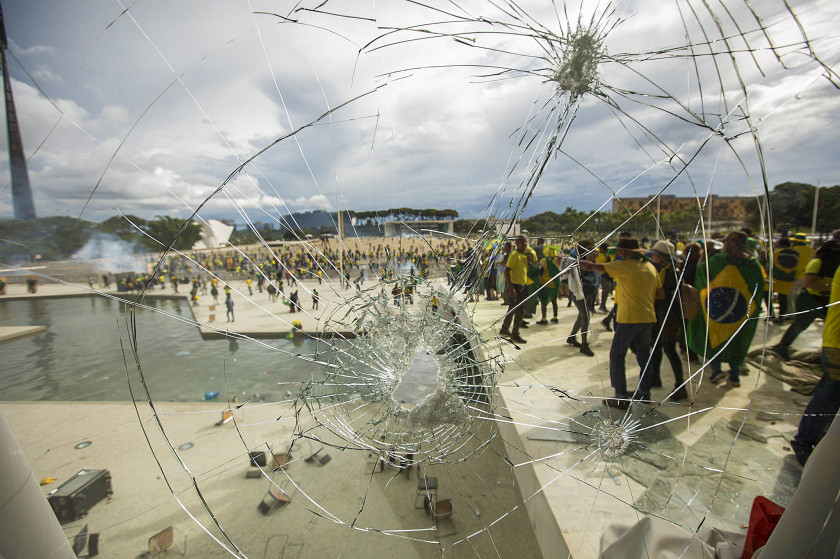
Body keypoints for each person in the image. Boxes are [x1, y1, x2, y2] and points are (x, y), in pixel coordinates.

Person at [580, 237, 658, 408]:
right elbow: (659, 294)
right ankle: (644, 392)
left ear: (625, 252)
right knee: (644, 356)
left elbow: (593, 267)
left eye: (620, 250)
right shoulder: (650, 267)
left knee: (617, 355)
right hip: (647, 317)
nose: (618, 253)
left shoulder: (624, 266)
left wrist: (573, 262)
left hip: (629, 318)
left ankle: (621, 396)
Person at [688, 231, 764, 387]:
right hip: (738, 312)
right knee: (736, 340)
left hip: (717, 309)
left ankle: (716, 371)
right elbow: (758, 286)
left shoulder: (717, 261)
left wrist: (705, 254)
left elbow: (701, 271)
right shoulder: (752, 265)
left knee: (714, 338)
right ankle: (734, 376)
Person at [789, 263, 840, 466]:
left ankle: (816, 442)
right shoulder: (818, 263)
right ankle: (805, 442)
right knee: (829, 396)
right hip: (837, 344)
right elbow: (809, 282)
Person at [772, 240, 840, 359]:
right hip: (809, 299)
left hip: (826, 300)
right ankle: (782, 347)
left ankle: (829, 353)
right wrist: (832, 288)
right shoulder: (817, 263)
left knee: (832, 328)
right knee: (800, 325)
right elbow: (808, 283)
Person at [647, 241, 688, 400]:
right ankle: (655, 377)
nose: (652, 257)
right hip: (660, 314)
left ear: (663, 258)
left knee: (669, 349)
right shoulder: (664, 270)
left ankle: (680, 386)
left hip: (668, 316)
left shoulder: (672, 273)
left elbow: (664, 295)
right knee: (656, 347)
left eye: (655, 255)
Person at [567, 243, 599, 356]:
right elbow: (578, 275)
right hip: (579, 293)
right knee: (586, 317)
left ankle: (571, 337)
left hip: (588, 291)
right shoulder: (577, 261)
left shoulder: (589, 260)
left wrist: (593, 259)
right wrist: (589, 260)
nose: (593, 251)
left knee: (581, 316)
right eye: (590, 248)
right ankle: (584, 345)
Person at [499, 235, 531, 345]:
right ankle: (515, 334)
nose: (525, 245)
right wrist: (511, 288)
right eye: (523, 243)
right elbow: (507, 271)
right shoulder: (514, 255)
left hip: (522, 286)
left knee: (512, 309)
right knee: (520, 311)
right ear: (517, 244)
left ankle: (504, 329)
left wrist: (529, 263)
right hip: (515, 286)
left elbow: (524, 272)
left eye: (526, 243)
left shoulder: (523, 256)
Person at [536, 246, 560, 325]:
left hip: (545, 284)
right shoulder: (557, 261)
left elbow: (538, 269)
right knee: (554, 302)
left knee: (543, 302)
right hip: (555, 284)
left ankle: (544, 319)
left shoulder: (543, 260)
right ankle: (555, 317)